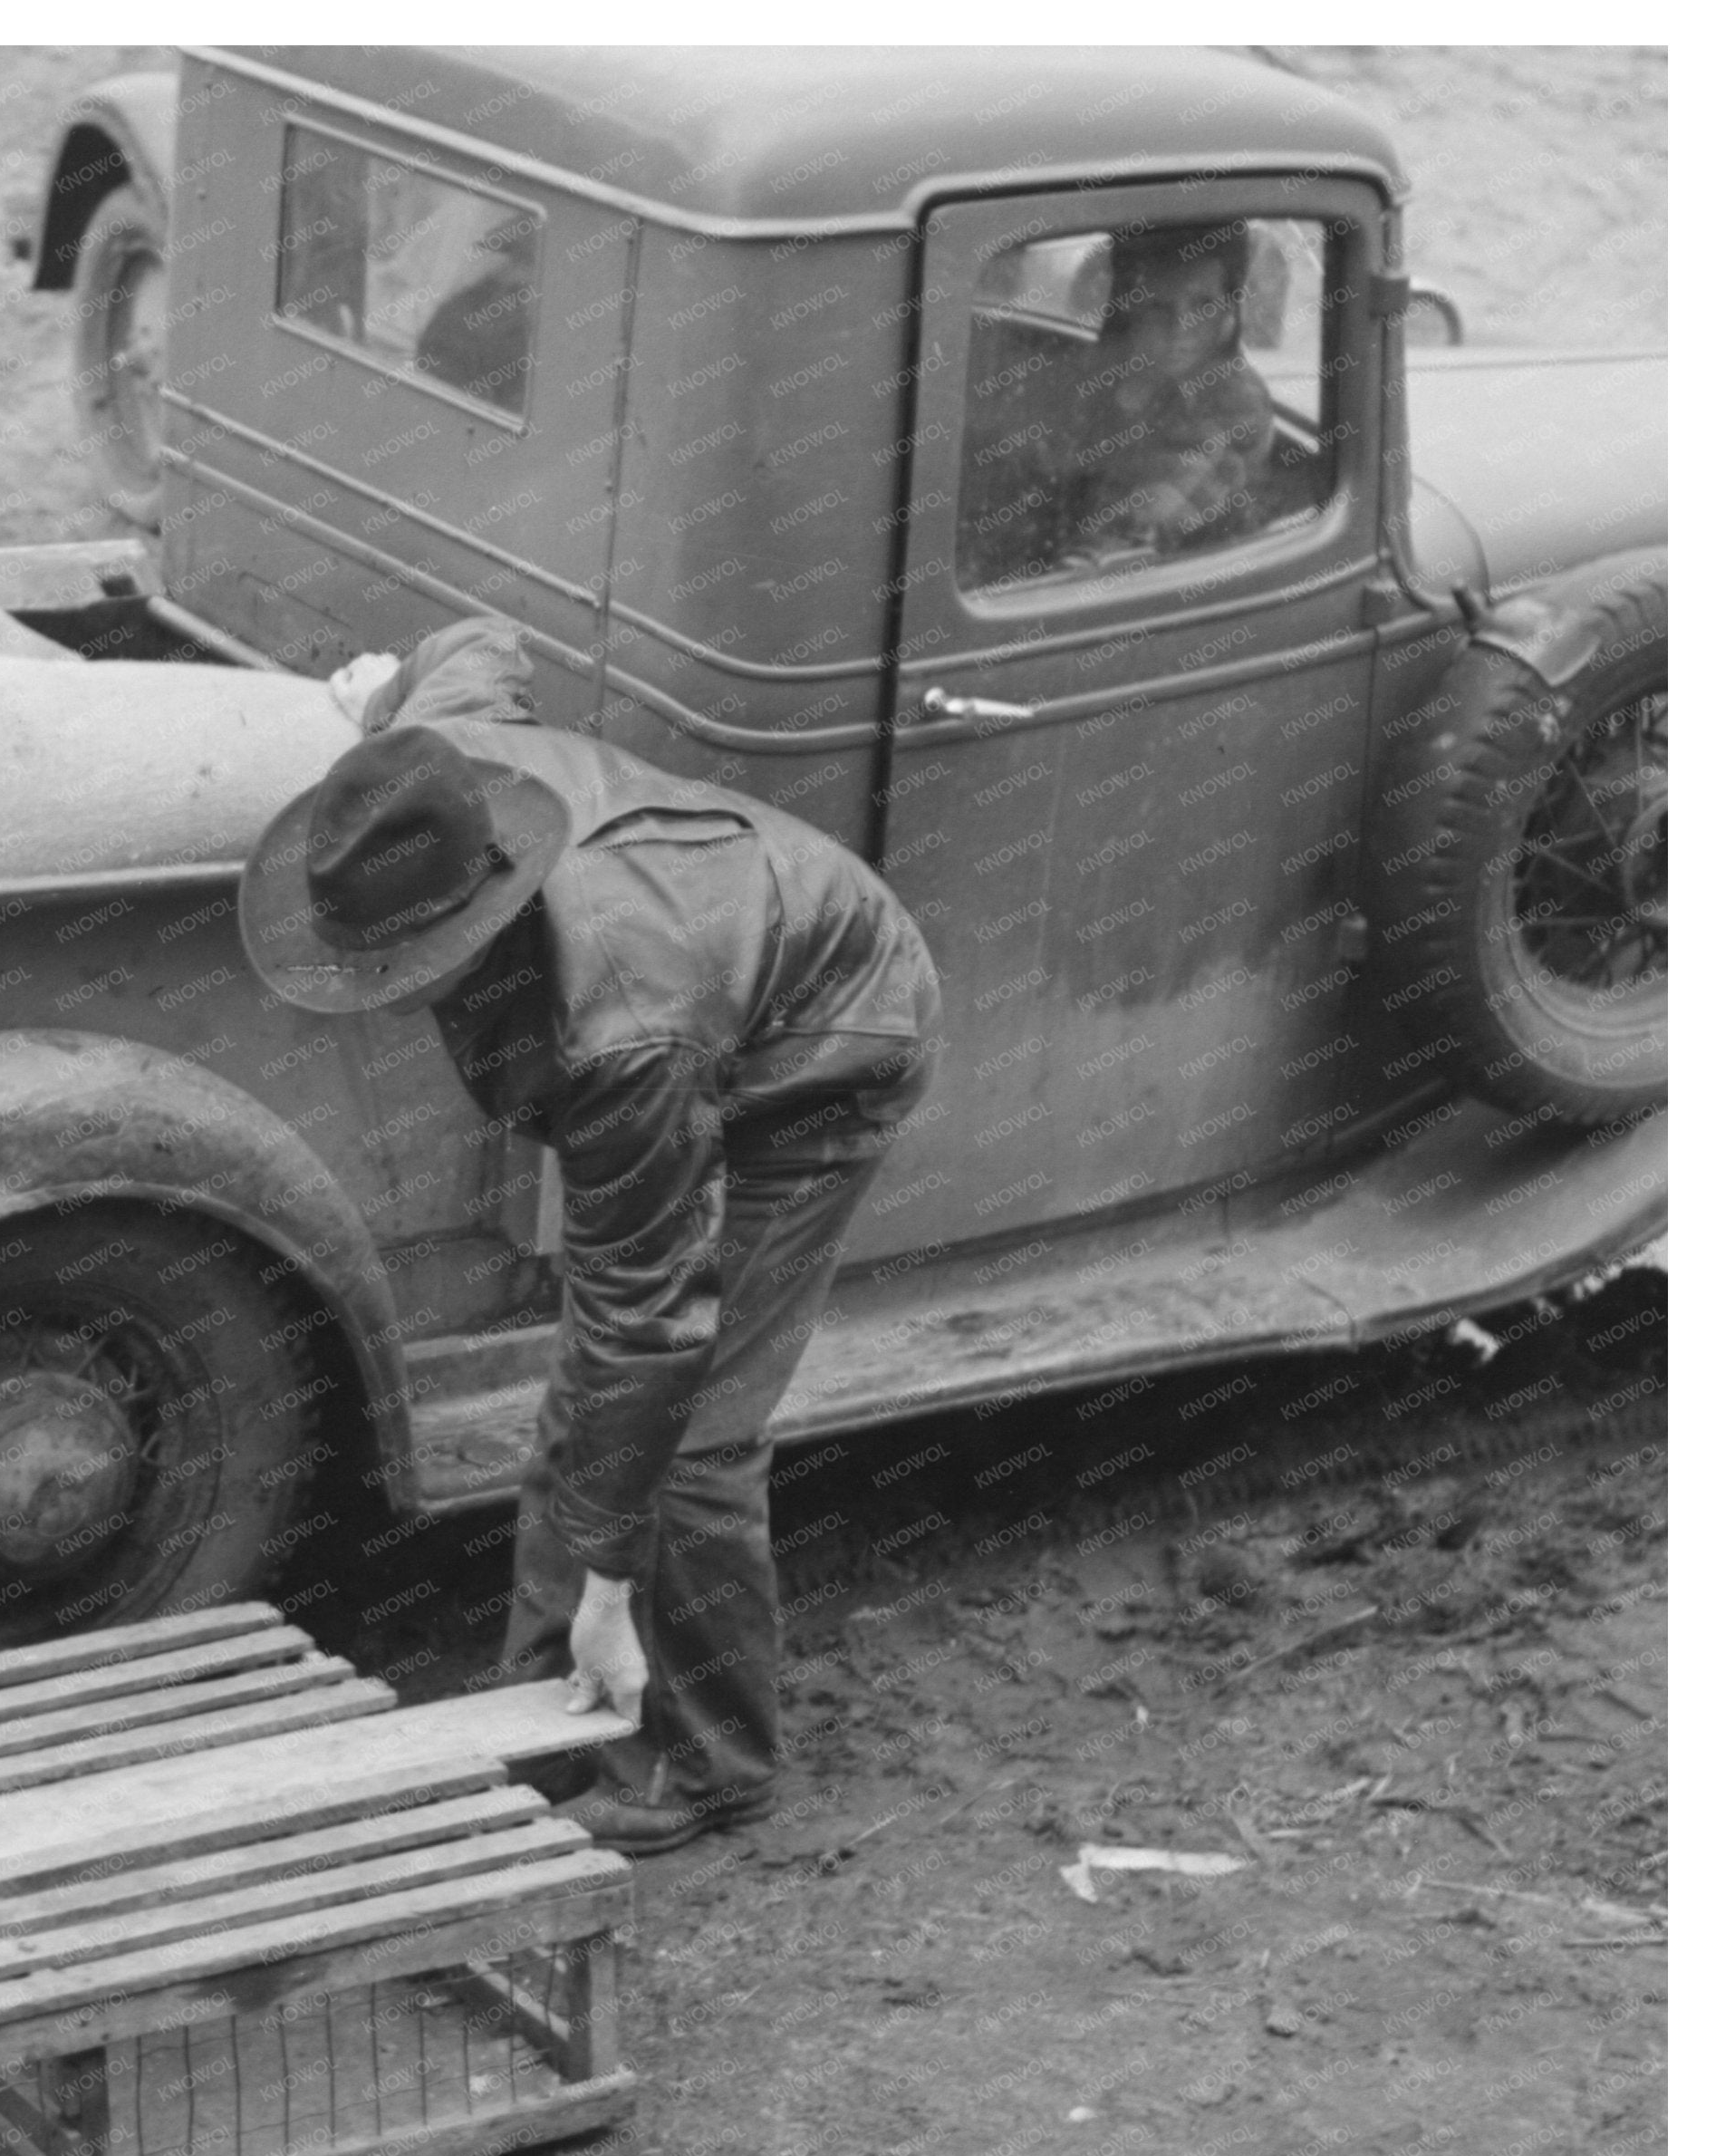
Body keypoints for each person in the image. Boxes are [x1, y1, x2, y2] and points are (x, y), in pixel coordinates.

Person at [239, 623, 940, 1856]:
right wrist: (382, 700)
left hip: (829, 1038)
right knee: (595, 1408)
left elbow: (651, 1319)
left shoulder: (621, 1030)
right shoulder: (437, 770)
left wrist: (612, 1589)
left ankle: (709, 1760)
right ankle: (555, 1707)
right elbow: (477, 640)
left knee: (693, 1434)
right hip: (713, 964)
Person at [1064, 220, 1277, 563]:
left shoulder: (1236, 404)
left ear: (1227, 310)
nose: (1181, 328)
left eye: (1203, 306)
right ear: (1130, 306)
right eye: (1159, 308)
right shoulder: (1104, 374)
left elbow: (1146, 525)